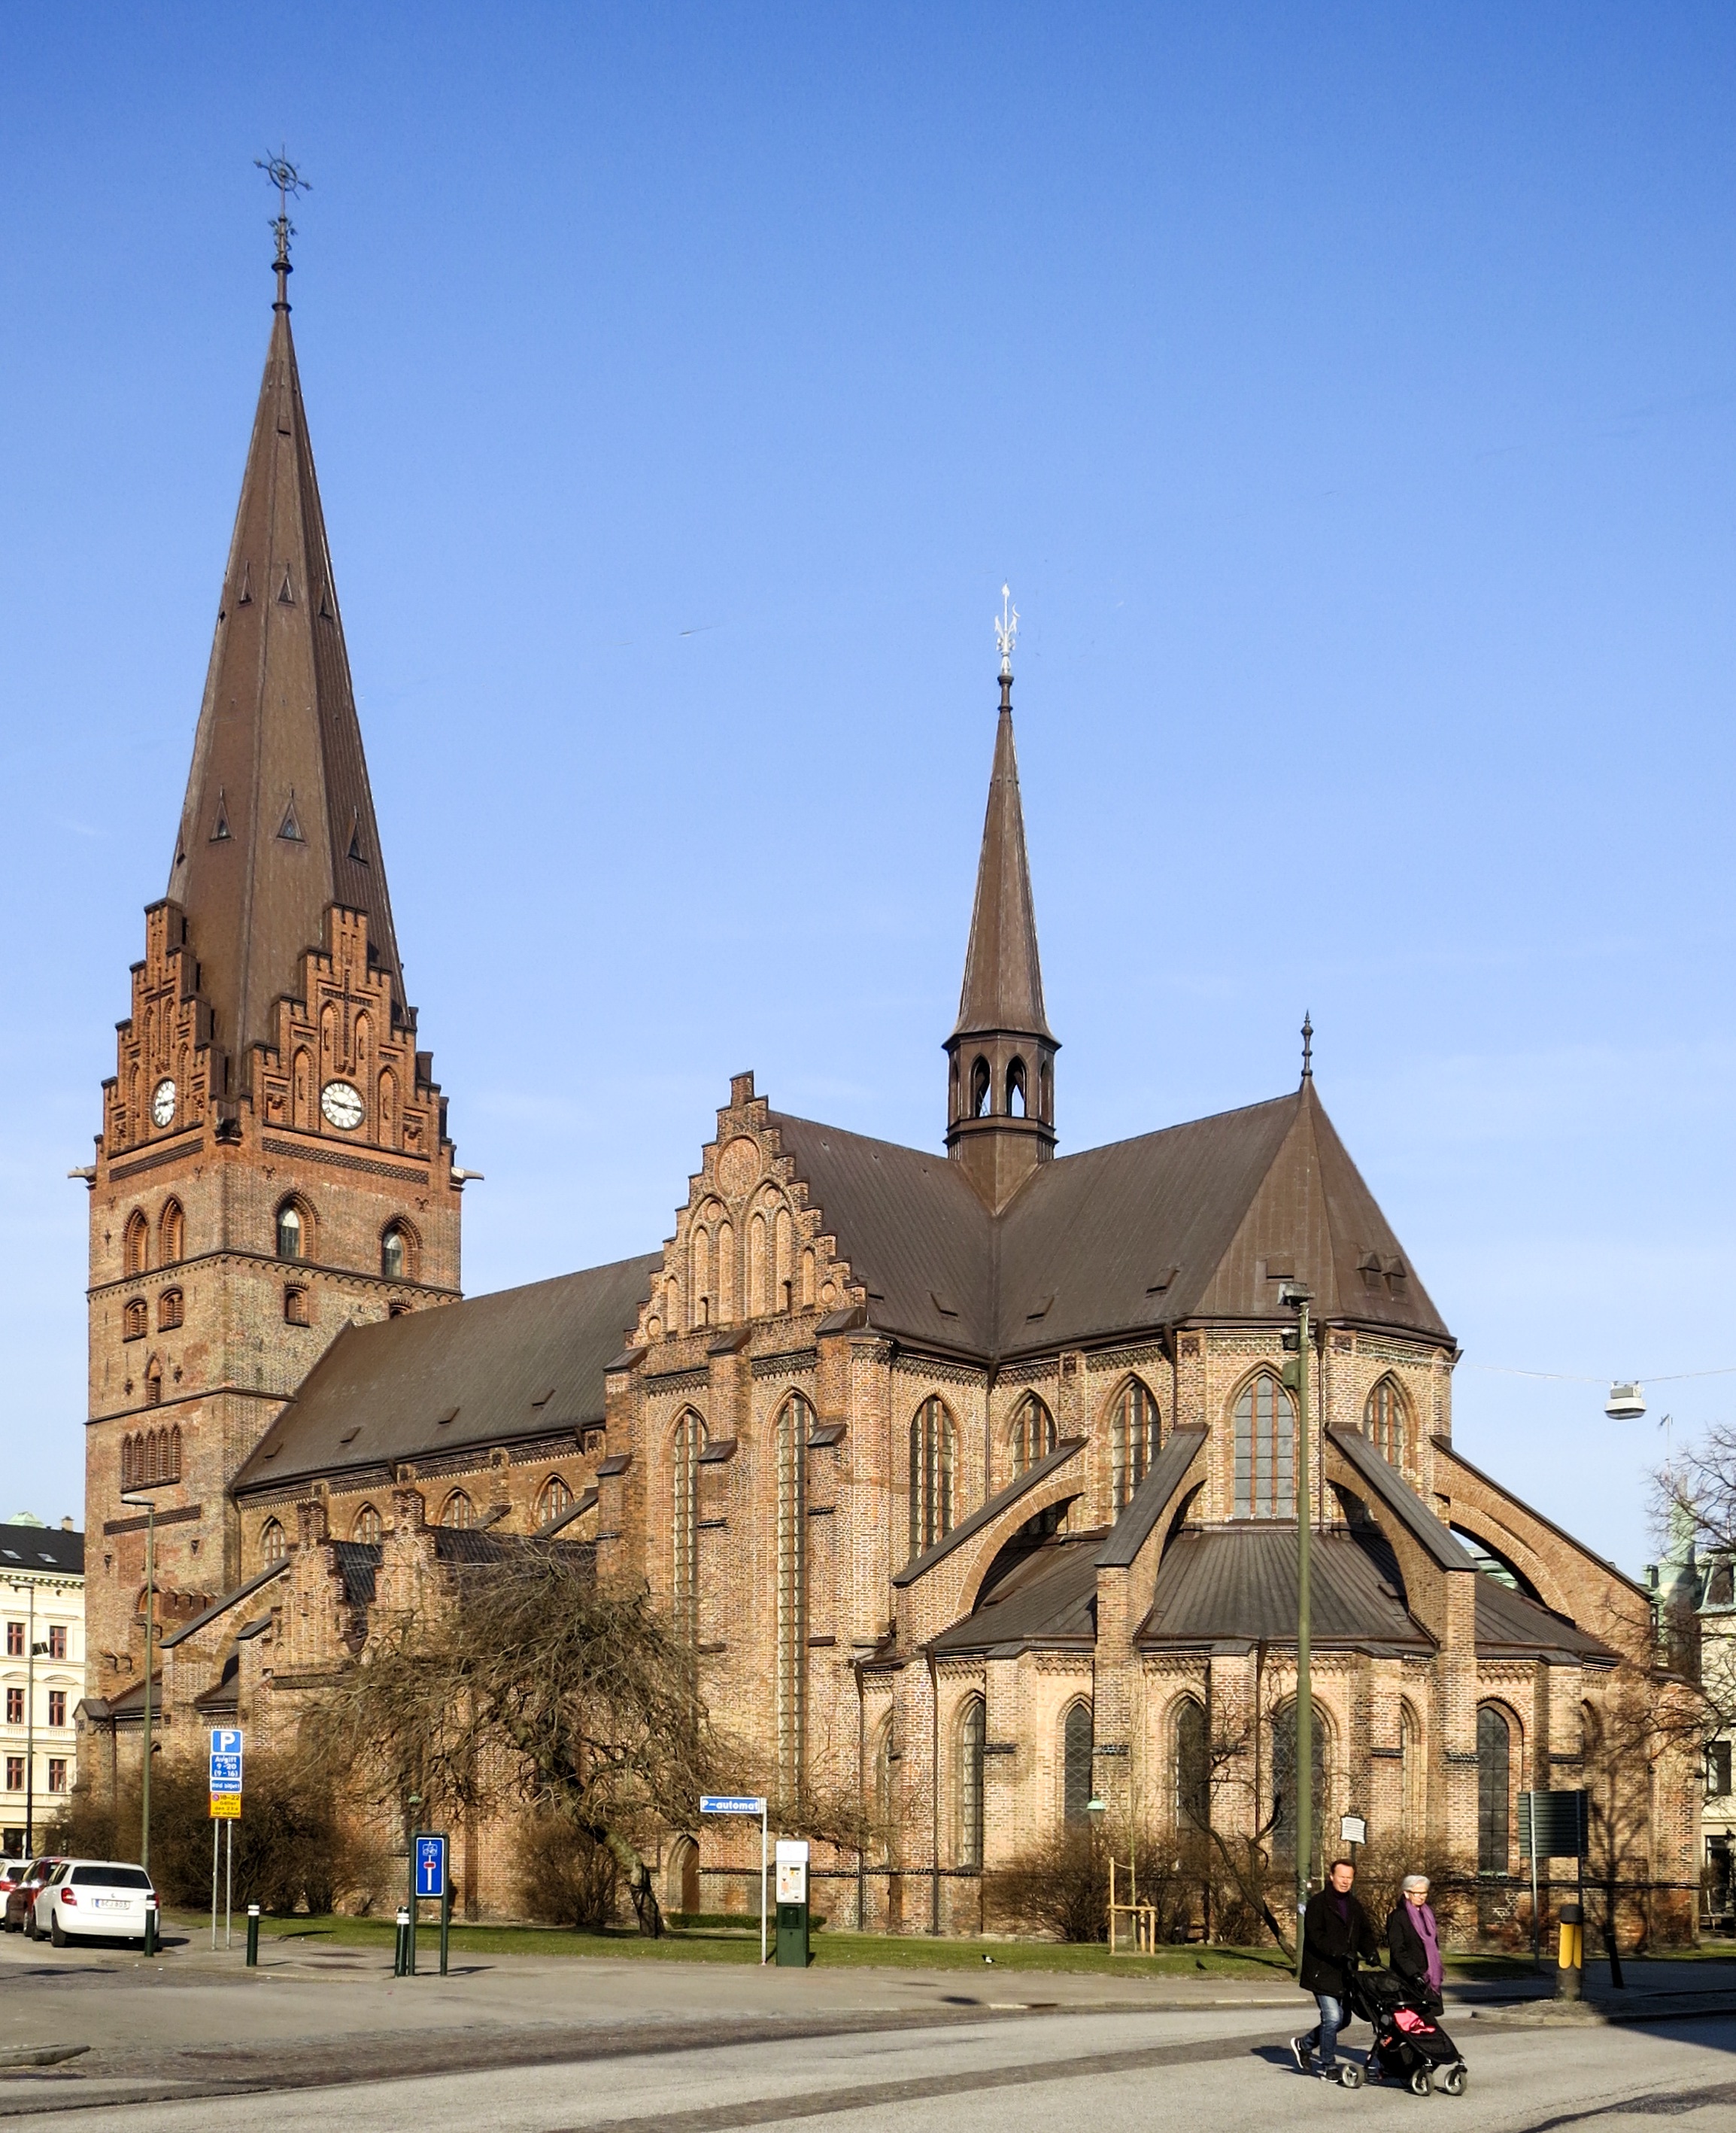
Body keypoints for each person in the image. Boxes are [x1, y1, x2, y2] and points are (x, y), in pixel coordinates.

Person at [1291, 1858, 1380, 2082]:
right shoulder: (1318, 1904)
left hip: (1345, 1973)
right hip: (1322, 1971)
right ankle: (1328, 2065)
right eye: (1341, 1877)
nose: (1345, 1881)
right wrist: (1339, 1952)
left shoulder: (1354, 1906)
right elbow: (1315, 1936)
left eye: (1349, 1878)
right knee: (1332, 2018)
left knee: (1343, 2020)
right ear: (1331, 1877)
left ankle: (1305, 2044)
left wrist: (1370, 1951)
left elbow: (1365, 1933)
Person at [1386, 1873, 1445, 2011]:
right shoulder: (1398, 1917)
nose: (1422, 1896)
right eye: (1417, 1893)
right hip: (1409, 1979)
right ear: (1407, 1894)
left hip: (1428, 1977)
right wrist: (1414, 1974)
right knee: (1413, 2022)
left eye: (1424, 1892)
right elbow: (1397, 1950)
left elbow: (1433, 1944)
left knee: (1429, 2022)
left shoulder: (1428, 1914)